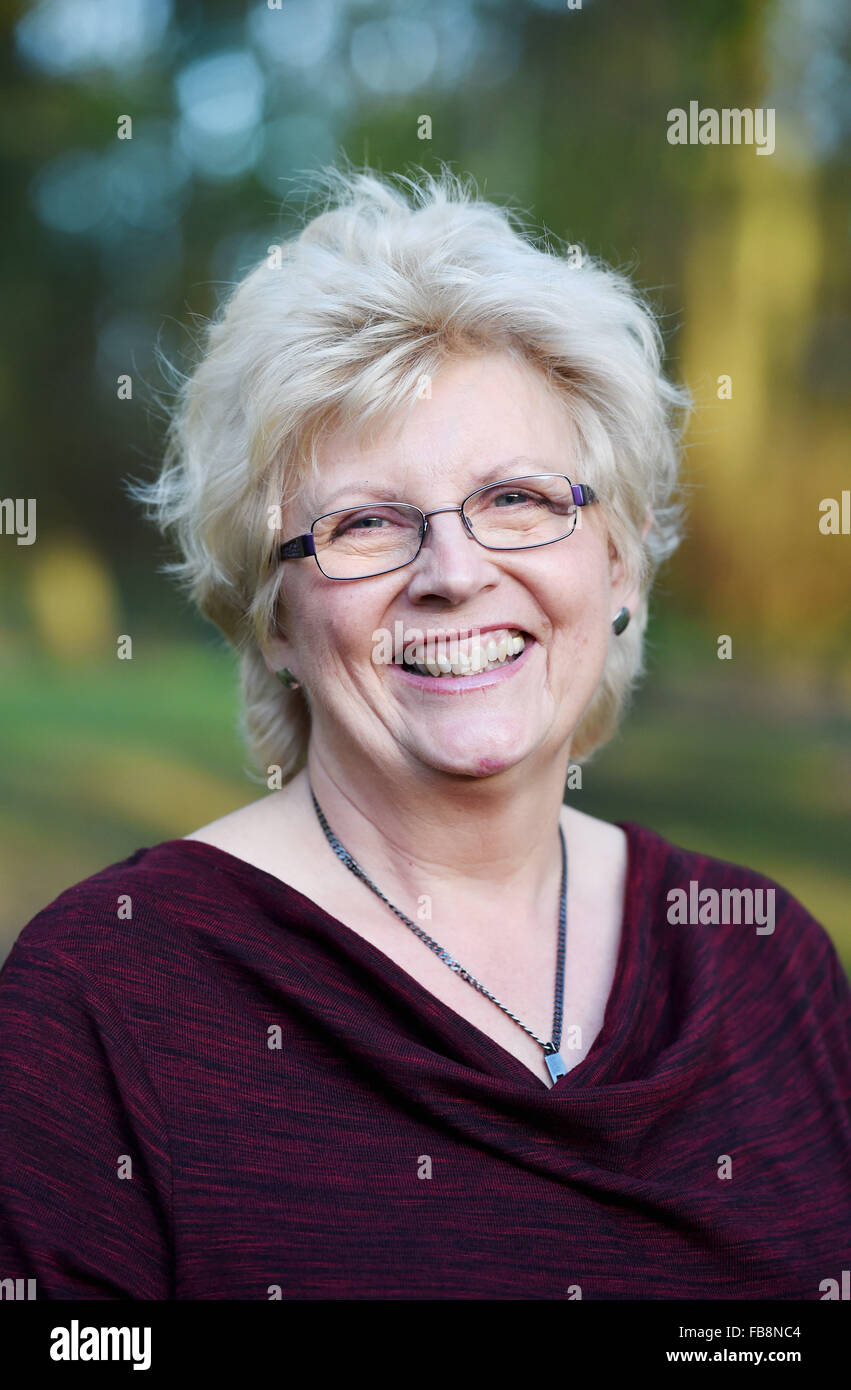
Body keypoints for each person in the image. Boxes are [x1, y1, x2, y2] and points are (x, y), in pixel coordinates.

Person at [0, 167, 848, 1301]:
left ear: (619, 560)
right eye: (363, 523)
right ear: (275, 617)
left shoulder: (766, 957)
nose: (453, 573)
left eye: (517, 499)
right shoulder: (101, 994)